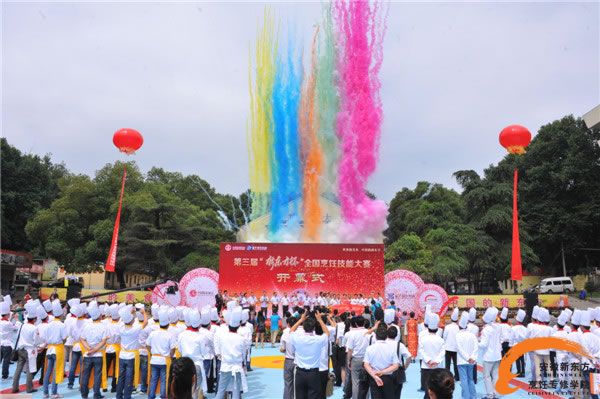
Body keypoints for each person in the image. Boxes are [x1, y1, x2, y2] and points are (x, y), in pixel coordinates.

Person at [289, 311, 330, 399]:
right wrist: (320, 320)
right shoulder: (318, 340)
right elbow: (327, 333)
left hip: (300, 373)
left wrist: (301, 320)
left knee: (300, 396)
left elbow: (291, 330)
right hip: (314, 373)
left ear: (303, 327)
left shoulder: (298, 338)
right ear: (314, 328)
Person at [214, 307, 249, 399]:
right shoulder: (241, 339)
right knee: (236, 392)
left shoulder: (222, 337)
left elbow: (219, 351)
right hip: (237, 367)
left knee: (221, 391)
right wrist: (244, 364)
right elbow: (243, 354)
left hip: (225, 366)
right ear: (238, 327)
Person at [115, 305, 147, 399]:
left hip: (122, 355)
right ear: (132, 320)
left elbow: (122, 320)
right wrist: (144, 313)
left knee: (121, 377)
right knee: (129, 377)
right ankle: (127, 396)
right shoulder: (134, 329)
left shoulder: (121, 328)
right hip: (131, 356)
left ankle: (119, 395)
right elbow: (145, 322)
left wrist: (130, 313)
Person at [177, 309, 208, 399]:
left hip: (184, 363)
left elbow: (179, 349)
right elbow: (204, 352)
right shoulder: (201, 336)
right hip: (197, 364)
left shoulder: (182, 335)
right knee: (196, 389)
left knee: (185, 387)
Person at [80, 301, 109, 399]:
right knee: (97, 376)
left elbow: (82, 339)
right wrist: (95, 350)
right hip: (98, 355)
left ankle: (84, 394)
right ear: (100, 316)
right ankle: (96, 394)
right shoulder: (103, 326)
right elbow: (104, 341)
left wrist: (89, 349)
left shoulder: (86, 325)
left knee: (85, 375)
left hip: (88, 354)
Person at [363, 323, 399, 399]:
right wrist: (383, 372)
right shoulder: (391, 348)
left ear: (375, 336)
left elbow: (366, 364)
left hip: (374, 377)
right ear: (386, 336)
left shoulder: (370, 348)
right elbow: (396, 365)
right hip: (388, 378)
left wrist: (374, 375)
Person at [146, 306, 176, 399]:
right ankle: (163, 396)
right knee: (164, 380)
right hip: (164, 360)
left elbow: (147, 344)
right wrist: (170, 356)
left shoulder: (153, 333)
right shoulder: (170, 335)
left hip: (154, 359)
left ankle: (151, 396)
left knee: (153, 379)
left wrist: (152, 353)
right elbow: (173, 348)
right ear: (168, 324)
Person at [41, 299, 67, 399]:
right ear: (60, 314)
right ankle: (54, 393)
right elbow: (64, 337)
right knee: (57, 371)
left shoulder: (48, 325)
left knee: (48, 371)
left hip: (50, 349)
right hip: (58, 349)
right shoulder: (61, 325)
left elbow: (46, 338)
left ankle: (45, 393)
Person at [12, 300, 39, 394]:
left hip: (21, 349)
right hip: (29, 350)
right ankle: (29, 388)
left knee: (18, 369)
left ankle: (14, 388)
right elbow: (36, 341)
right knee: (30, 370)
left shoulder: (22, 326)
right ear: (35, 319)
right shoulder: (34, 328)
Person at [418, 313, 445, 399]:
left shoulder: (423, 339)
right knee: (437, 389)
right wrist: (436, 361)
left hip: (426, 366)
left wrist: (428, 360)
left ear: (428, 328)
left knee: (427, 389)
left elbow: (421, 351)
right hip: (437, 367)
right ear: (437, 329)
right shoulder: (440, 340)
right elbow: (442, 352)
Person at [479, 307, 502, 399]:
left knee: (487, 376)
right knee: (496, 375)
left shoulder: (486, 329)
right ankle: (495, 393)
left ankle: (490, 395)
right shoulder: (497, 327)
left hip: (488, 356)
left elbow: (483, 344)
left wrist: (476, 342)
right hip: (497, 355)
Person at [345, 316, 370, 399]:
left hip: (356, 360)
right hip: (367, 360)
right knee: (367, 381)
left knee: (355, 382)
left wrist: (348, 361)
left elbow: (350, 350)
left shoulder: (352, 334)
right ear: (364, 323)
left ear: (355, 324)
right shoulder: (369, 333)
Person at [385, 324, 411, 399]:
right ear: (396, 335)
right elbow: (409, 356)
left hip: (385, 370)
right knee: (397, 394)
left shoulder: (383, 343)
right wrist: (404, 367)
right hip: (397, 371)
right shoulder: (400, 345)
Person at [455, 311, 477, 399]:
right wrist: (472, 357)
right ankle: (473, 396)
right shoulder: (472, 335)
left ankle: (466, 397)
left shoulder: (458, 335)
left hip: (462, 361)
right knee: (470, 379)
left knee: (464, 380)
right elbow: (476, 347)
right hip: (471, 361)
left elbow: (459, 349)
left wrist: (467, 358)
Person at [280, 316, 297, 399]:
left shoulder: (285, 333)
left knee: (288, 383)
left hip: (288, 360)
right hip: (298, 361)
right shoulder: (300, 333)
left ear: (288, 324)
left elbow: (282, 348)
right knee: (297, 384)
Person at [1, 296, 17, 380]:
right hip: (7, 344)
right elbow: (15, 328)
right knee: (6, 361)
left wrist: (11, 318)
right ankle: (5, 376)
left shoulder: (1, 321)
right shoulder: (8, 323)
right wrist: (16, 319)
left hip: (1, 343)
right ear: (7, 314)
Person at [442, 308, 459, 381]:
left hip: (448, 347)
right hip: (456, 348)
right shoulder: (458, 327)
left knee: (447, 363)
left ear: (451, 319)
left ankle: (447, 377)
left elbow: (444, 337)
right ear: (457, 320)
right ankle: (457, 376)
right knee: (456, 363)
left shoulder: (447, 327)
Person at [511, 309, 528, 378]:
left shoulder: (513, 328)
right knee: (522, 359)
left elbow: (511, 337)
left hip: (515, 344)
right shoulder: (525, 328)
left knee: (517, 359)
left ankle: (518, 371)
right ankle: (523, 371)